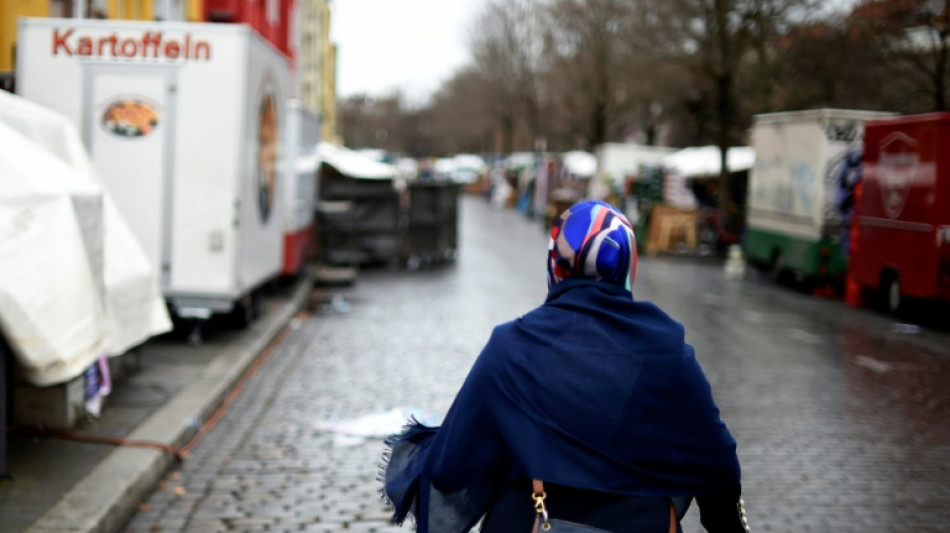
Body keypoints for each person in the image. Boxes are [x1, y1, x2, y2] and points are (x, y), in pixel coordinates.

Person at [381, 200, 747, 533]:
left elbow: (452, 464)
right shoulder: (668, 352)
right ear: (627, 265)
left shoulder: (512, 347)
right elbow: (717, 462)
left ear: (555, 262)